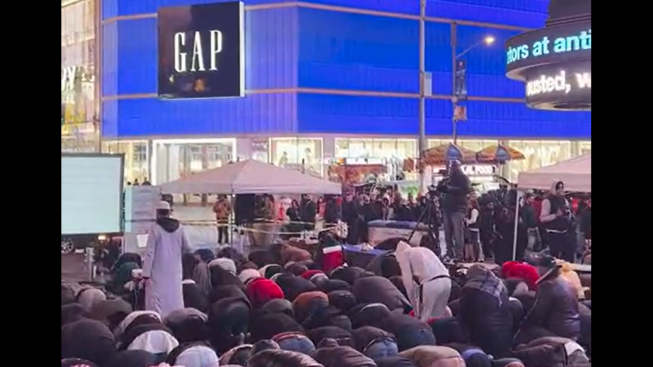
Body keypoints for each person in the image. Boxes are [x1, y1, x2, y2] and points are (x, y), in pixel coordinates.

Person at [142, 201, 192, 318]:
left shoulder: (155, 228)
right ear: (169, 213)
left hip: (157, 272)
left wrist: (145, 274)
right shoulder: (180, 228)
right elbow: (188, 248)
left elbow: (150, 253)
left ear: (157, 213)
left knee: (157, 303)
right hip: (175, 271)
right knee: (174, 298)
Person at [457, 264, 513, 358]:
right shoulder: (500, 287)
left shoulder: (471, 288)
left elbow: (462, 315)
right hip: (504, 334)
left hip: (482, 335)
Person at [395, 241, 451, 321]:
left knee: (424, 319)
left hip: (431, 282)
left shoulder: (404, 255)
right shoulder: (424, 250)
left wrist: (415, 308)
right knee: (438, 318)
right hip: (447, 280)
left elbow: (408, 284)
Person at [441, 160, 472, 261]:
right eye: (451, 166)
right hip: (447, 208)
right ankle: (449, 252)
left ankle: (459, 255)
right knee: (447, 233)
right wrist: (443, 183)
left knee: (458, 233)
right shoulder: (448, 178)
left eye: (454, 166)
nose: (452, 168)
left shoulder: (463, 178)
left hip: (458, 208)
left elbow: (467, 189)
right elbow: (440, 188)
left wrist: (451, 189)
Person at [539, 181, 575, 262]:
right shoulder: (547, 201)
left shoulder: (564, 200)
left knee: (567, 257)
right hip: (553, 234)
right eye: (558, 188)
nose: (560, 190)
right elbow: (542, 218)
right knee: (554, 258)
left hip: (565, 233)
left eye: (562, 187)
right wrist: (555, 215)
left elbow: (568, 212)